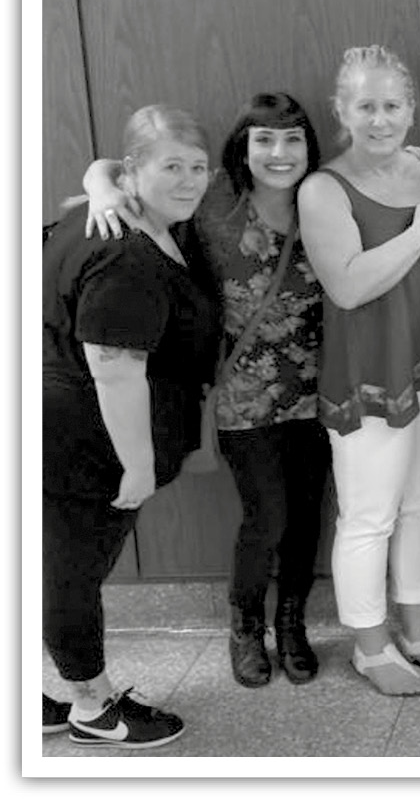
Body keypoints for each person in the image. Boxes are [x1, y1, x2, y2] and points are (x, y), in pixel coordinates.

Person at [81, 93, 330, 690]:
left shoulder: (325, 198)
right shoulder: (213, 197)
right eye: (264, 139)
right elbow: (112, 167)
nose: (279, 152)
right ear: (242, 148)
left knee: (307, 517)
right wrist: (102, 190)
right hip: (240, 394)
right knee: (265, 517)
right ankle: (245, 627)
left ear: (308, 148)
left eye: (293, 139)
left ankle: (292, 623)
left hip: (319, 391)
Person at [43, 104, 221, 747]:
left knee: (59, 562)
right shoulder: (127, 252)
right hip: (80, 442)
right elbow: (114, 367)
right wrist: (139, 464)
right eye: (171, 166)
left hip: (65, 431)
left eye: (198, 166)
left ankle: (53, 690)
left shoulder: (116, 213)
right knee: (71, 569)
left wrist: (99, 178)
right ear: (133, 171)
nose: (190, 179)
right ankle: (91, 705)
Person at [298, 44, 420, 696]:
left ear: (411, 108)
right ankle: (371, 647)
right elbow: (346, 285)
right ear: (342, 110)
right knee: (369, 515)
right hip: (369, 371)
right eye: (365, 105)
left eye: (391, 104)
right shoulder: (323, 187)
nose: (379, 118)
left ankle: (419, 631)